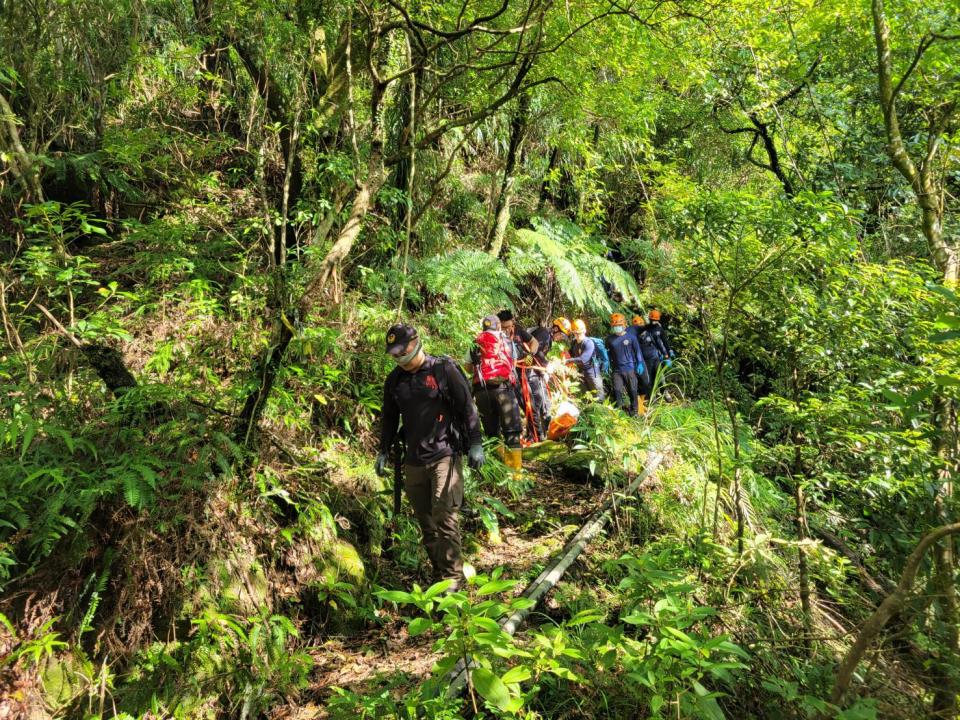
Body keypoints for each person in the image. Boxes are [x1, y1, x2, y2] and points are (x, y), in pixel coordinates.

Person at [376, 323, 485, 591]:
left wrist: (475, 443)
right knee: (427, 522)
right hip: (413, 460)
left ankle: (452, 580)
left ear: (415, 344)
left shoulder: (442, 370)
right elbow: (389, 417)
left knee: (444, 516)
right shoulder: (395, 380)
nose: (398, 357)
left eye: (402, 351)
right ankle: (440, 576)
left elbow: (467, 407)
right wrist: (383, 450)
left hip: (444, 453)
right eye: (394, 354)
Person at [465, 315, 523, 469]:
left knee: (492, 434)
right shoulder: (507, 341)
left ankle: (501, 470)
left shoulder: (475, 342)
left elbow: (468, 368)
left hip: (482, 391)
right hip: (504, 391)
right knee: (512, 433)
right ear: (498, 326)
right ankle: (515, 474)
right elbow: (513, 364)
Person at [522, 317, 570, 440]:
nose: (560, 338)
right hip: (530, 372)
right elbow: (536, 351)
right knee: (539, 404)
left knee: (542, 404)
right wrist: (546, 365)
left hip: (533, 371)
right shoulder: (544, 334)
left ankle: (539, 434)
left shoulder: (545, 335)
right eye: (561, 335)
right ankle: (538, 436)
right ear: (555, 329)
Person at [605, 313, 643, 416]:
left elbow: (637, 351)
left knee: (633, 391)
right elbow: (607, 352)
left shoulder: (631, 337)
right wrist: (606, 361)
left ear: (624, 324)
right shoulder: (609, 339)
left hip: (630, 369)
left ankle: (634, 411)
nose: (617, 328)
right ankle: (619, 413)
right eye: (615, 326)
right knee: (617, 391)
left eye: (619, 325)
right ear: (612, 326)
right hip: (616, 370)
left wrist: (640, 363)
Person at [568, 319, 605, 401]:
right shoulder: (574, 343)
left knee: (598, 395)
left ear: (584, 331)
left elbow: (583, 359)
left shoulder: (589, 343)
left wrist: (567, 361)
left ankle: (602, 411)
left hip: (592, 372)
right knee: (585, 395)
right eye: (575, 333)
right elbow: (570, 353)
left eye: (579, 333)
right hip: (581, 372)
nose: (577, 335)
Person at [629, 315, 659, 401]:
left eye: (641, 325)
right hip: (643, 360)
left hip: (654, 357)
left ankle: (662, 393)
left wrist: (662, 354)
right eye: (638, 326)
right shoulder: (634, 337)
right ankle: (650, 397)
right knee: (646, 379)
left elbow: (657, 342)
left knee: (659, 376)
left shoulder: (649, 333)